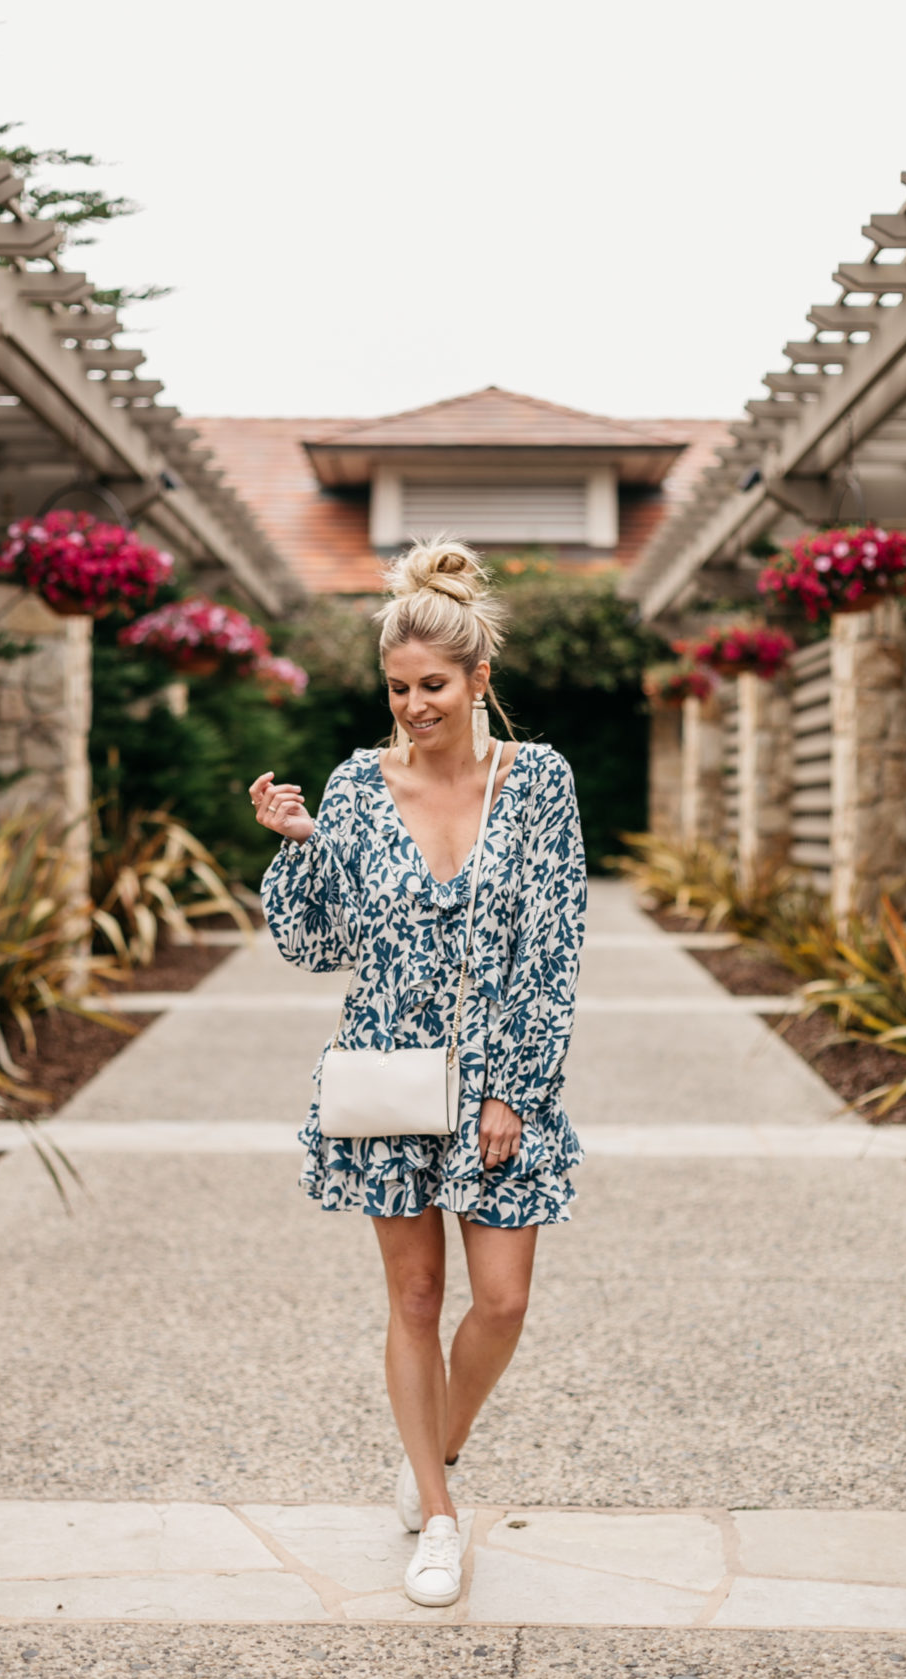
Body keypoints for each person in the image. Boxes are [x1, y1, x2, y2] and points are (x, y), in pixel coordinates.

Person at [250, 537, 586, 1608]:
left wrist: (515, 1093)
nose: (412, 707)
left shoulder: (538, 785)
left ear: (479, 678)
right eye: (396, 690)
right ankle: (439, 1517)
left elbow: (557, 947)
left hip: (499, 1086)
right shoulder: (355, 784)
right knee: (415, 1296)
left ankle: (432, 1448)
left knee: (501, 1301)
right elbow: (315, 945)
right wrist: (301, 843)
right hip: (388, 1076)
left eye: (432, 686)